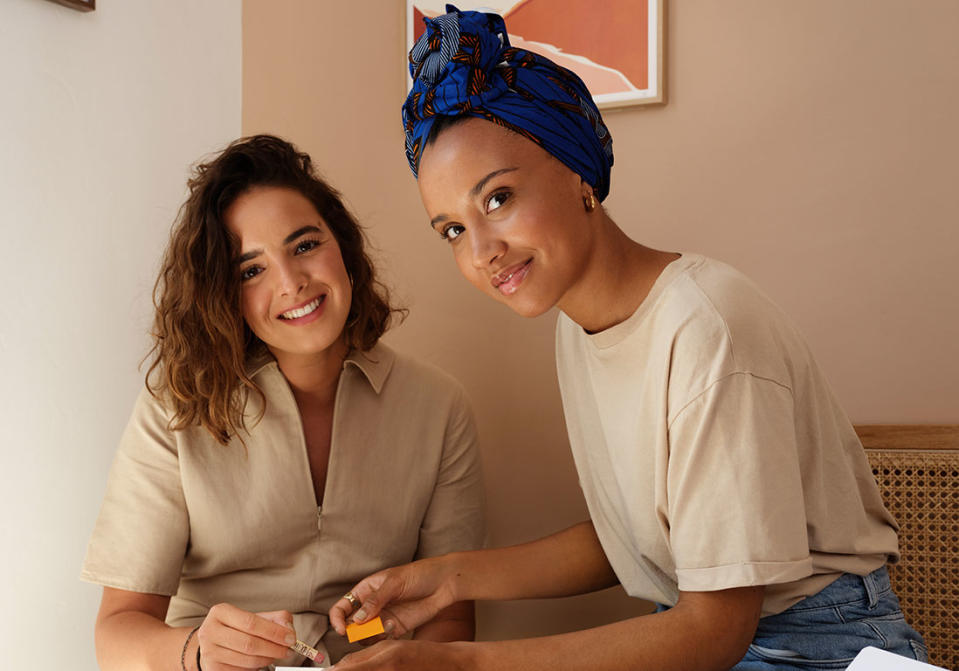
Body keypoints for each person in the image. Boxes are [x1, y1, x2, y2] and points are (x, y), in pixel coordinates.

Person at [326, 7, 927, 671]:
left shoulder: (705, 329)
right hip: (707, 630)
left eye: (496, 199)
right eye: (451, 230)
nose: (482, 252)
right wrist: (445, 578)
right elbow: (636, 538)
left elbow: (714, 630)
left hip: (817, 647)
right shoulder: (579, 323)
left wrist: (464, 663)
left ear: (577, 171)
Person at [81, 134, 485, 671]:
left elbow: (452, 622)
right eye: (252, 270)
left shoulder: (440, 408)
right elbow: (116, 632)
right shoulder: (174, 409)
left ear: (341, 245)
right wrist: (197, 653)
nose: (291, 283)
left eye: (304, 245)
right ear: (225, 294)